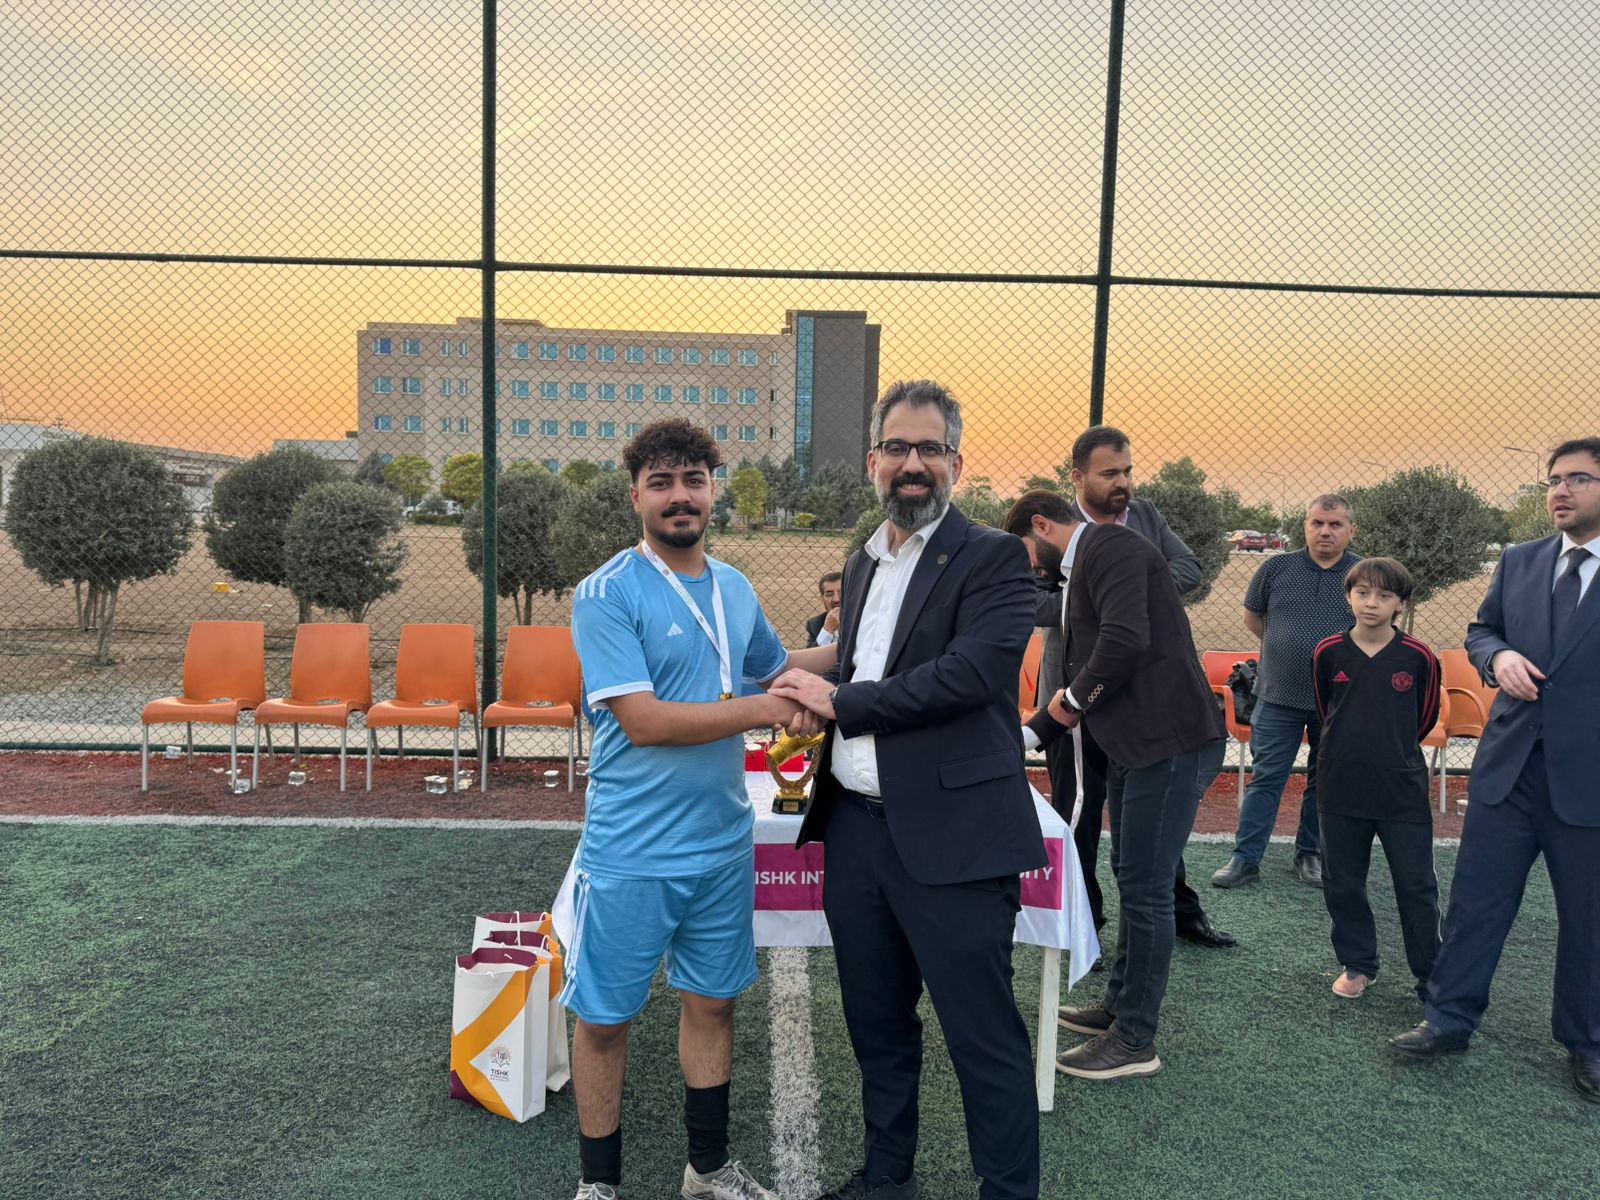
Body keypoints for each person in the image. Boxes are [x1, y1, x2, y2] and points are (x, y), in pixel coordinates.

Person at [768, 380, 1044, 1200]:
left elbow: (969, 675)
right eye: (898, 448)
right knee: (877, 1026)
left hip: (956, 837)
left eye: (930, 448)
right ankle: (887, 1180)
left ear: (956, 461)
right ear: (872, 462)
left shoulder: (995, 557)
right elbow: (864, 662)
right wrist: (785, 677)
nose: (912, 463)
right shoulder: (862, 562)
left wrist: (840, 702)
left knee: (982, 1039)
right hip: (857, 835)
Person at [562, 419, 836, 1200]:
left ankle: (707, 1171)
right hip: (632, 850)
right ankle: (598, 1186)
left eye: (693, 480)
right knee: (605, 1020)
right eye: (661, 483)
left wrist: (875, 638)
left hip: (720, 844)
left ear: (713, 489)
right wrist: (767, 709)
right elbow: (646, 722)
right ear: (636, 497)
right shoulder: (607, 592)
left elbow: (778, 668)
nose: (679, 496)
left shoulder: (733, 587)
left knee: (713, 1006)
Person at [1390, 437, 1600, 1106]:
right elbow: (1483, 631)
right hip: (1508, 770)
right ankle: (1448, 1019)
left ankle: (1589, 1042)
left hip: (1589, 780)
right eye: (1554, 479)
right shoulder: (1520, 560)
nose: (1560, 490)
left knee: (1589, 918)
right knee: (1477, 901)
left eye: (1579, 479)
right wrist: (1497, 658)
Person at [1004, 490, 1224, 1081]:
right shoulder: (1089, 561)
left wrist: (1062, 711)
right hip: (1138, 745)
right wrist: (1039, 730)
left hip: (1169, 743)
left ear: (1041, 525)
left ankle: (1134, 1040)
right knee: (1131, 873)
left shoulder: (1111, 546)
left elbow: (1123, 642)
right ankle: (1120, 1006)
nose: (1030, 569)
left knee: (1147, 887)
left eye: (1026, 553)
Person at [1031, 428, 1234, 949]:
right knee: (1077, 813)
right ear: (1078, 478)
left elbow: (1189, 567)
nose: (1121, 482)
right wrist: (1098, 594)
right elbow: (1029, 600)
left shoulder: (1144, 517)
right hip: (1076, 692)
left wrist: (1133, 584)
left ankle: (1179, 911)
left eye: (1127, 471)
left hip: (1141, 702)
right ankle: (1084, 930)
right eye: (1109, 474)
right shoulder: (1050, 527)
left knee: (1151, 826)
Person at [1211, 495, 1361, 890]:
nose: (1325, 531)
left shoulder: (1363, 573)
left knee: (1324, 782)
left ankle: (1310, 854)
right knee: (1266, 779)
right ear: (1305, 526)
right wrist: (1284, 645)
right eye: (1317, 523)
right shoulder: (1275, 568)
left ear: (1351, 530)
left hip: (1337, 702)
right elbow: (1253, 618)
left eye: (1335, 524)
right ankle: (1245, 859)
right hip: (1277, 696)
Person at [1310, 557, 1442, 1001]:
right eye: (1362, 592)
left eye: (1384, 595)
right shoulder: (1328, 652)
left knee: (1416, 884)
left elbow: (1423, 719)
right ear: (1348, 597)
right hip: (1339, 784)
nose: (1371, 603)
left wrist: (1390, 751)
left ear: (1400, 604)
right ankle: (1358, 963)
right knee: (1343, 881)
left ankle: (1431, 975)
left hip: (1400, 788)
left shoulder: (1419, 657)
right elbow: (1326, 708)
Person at [804, 571, 844, 647]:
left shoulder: (862, 620)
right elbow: (812, 654)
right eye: (829, 594)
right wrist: (827, 630)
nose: (836, 599)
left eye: (841, 593)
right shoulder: (815, 624)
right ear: (822, 599)